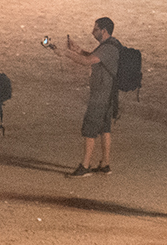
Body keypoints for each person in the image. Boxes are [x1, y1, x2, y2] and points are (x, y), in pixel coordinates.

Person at [53, 16, 124, 177]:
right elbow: (93, 57)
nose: (93, 31)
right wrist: (77, 50)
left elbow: (87, 62)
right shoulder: (112, 45)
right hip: (109, 95)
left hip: (101, 95)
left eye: (96, 28)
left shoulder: (107, 48)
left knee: (90, 129)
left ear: (104, 31)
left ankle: (85, 166)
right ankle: (105, 164)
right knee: (105, 128)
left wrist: (65, 53)